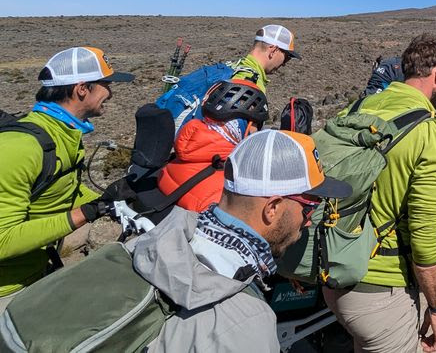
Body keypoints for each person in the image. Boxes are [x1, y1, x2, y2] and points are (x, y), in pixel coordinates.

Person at [0, 129, 351, 351]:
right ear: (272, 208)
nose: (311, 218)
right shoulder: (244, 323)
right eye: (310, 203)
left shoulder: (146, 244)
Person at [323, 34, 436, 353]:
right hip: (379, 289)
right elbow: (427, 242)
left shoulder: (356, 108)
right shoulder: (430, 131)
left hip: (330, 269)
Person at [0, 47, 135, 311]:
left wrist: (110, 199)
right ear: (82, 89)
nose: (111, 91)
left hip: (35, 271)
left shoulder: (65, 134)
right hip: (7, 290)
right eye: (106, 84)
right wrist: (85, 213)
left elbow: (60, 189)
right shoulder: (21, 148)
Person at [157, 79, 269, 212]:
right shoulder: (225, 191)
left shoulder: (180, 156)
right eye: (257, 125)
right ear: (242, 126)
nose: (257, 131)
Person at [232, 24, 301, 93]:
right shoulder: (251, 85)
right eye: (286, 58)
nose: (284, 64)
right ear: (274, 51)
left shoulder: (233, 67)